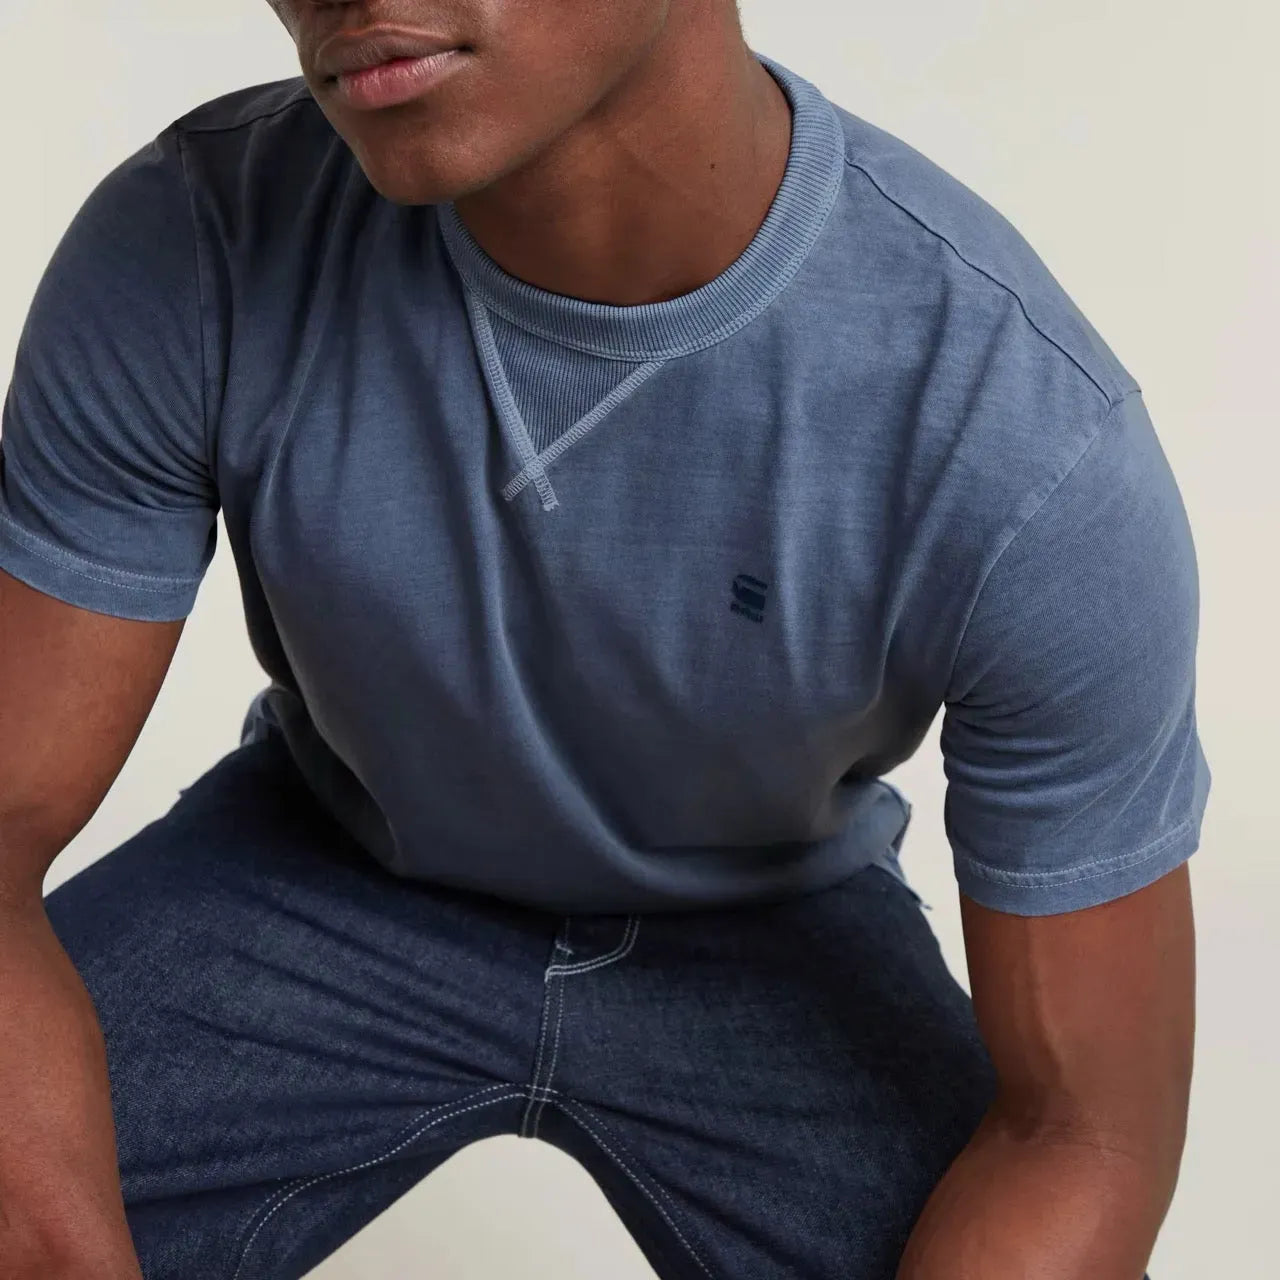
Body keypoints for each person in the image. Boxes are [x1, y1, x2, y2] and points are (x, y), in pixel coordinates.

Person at [0, 1, 1210, 1277]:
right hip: (328, 855)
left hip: (770, 928)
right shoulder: (196, 238)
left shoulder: (1019, 438)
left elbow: (1084, 1133)